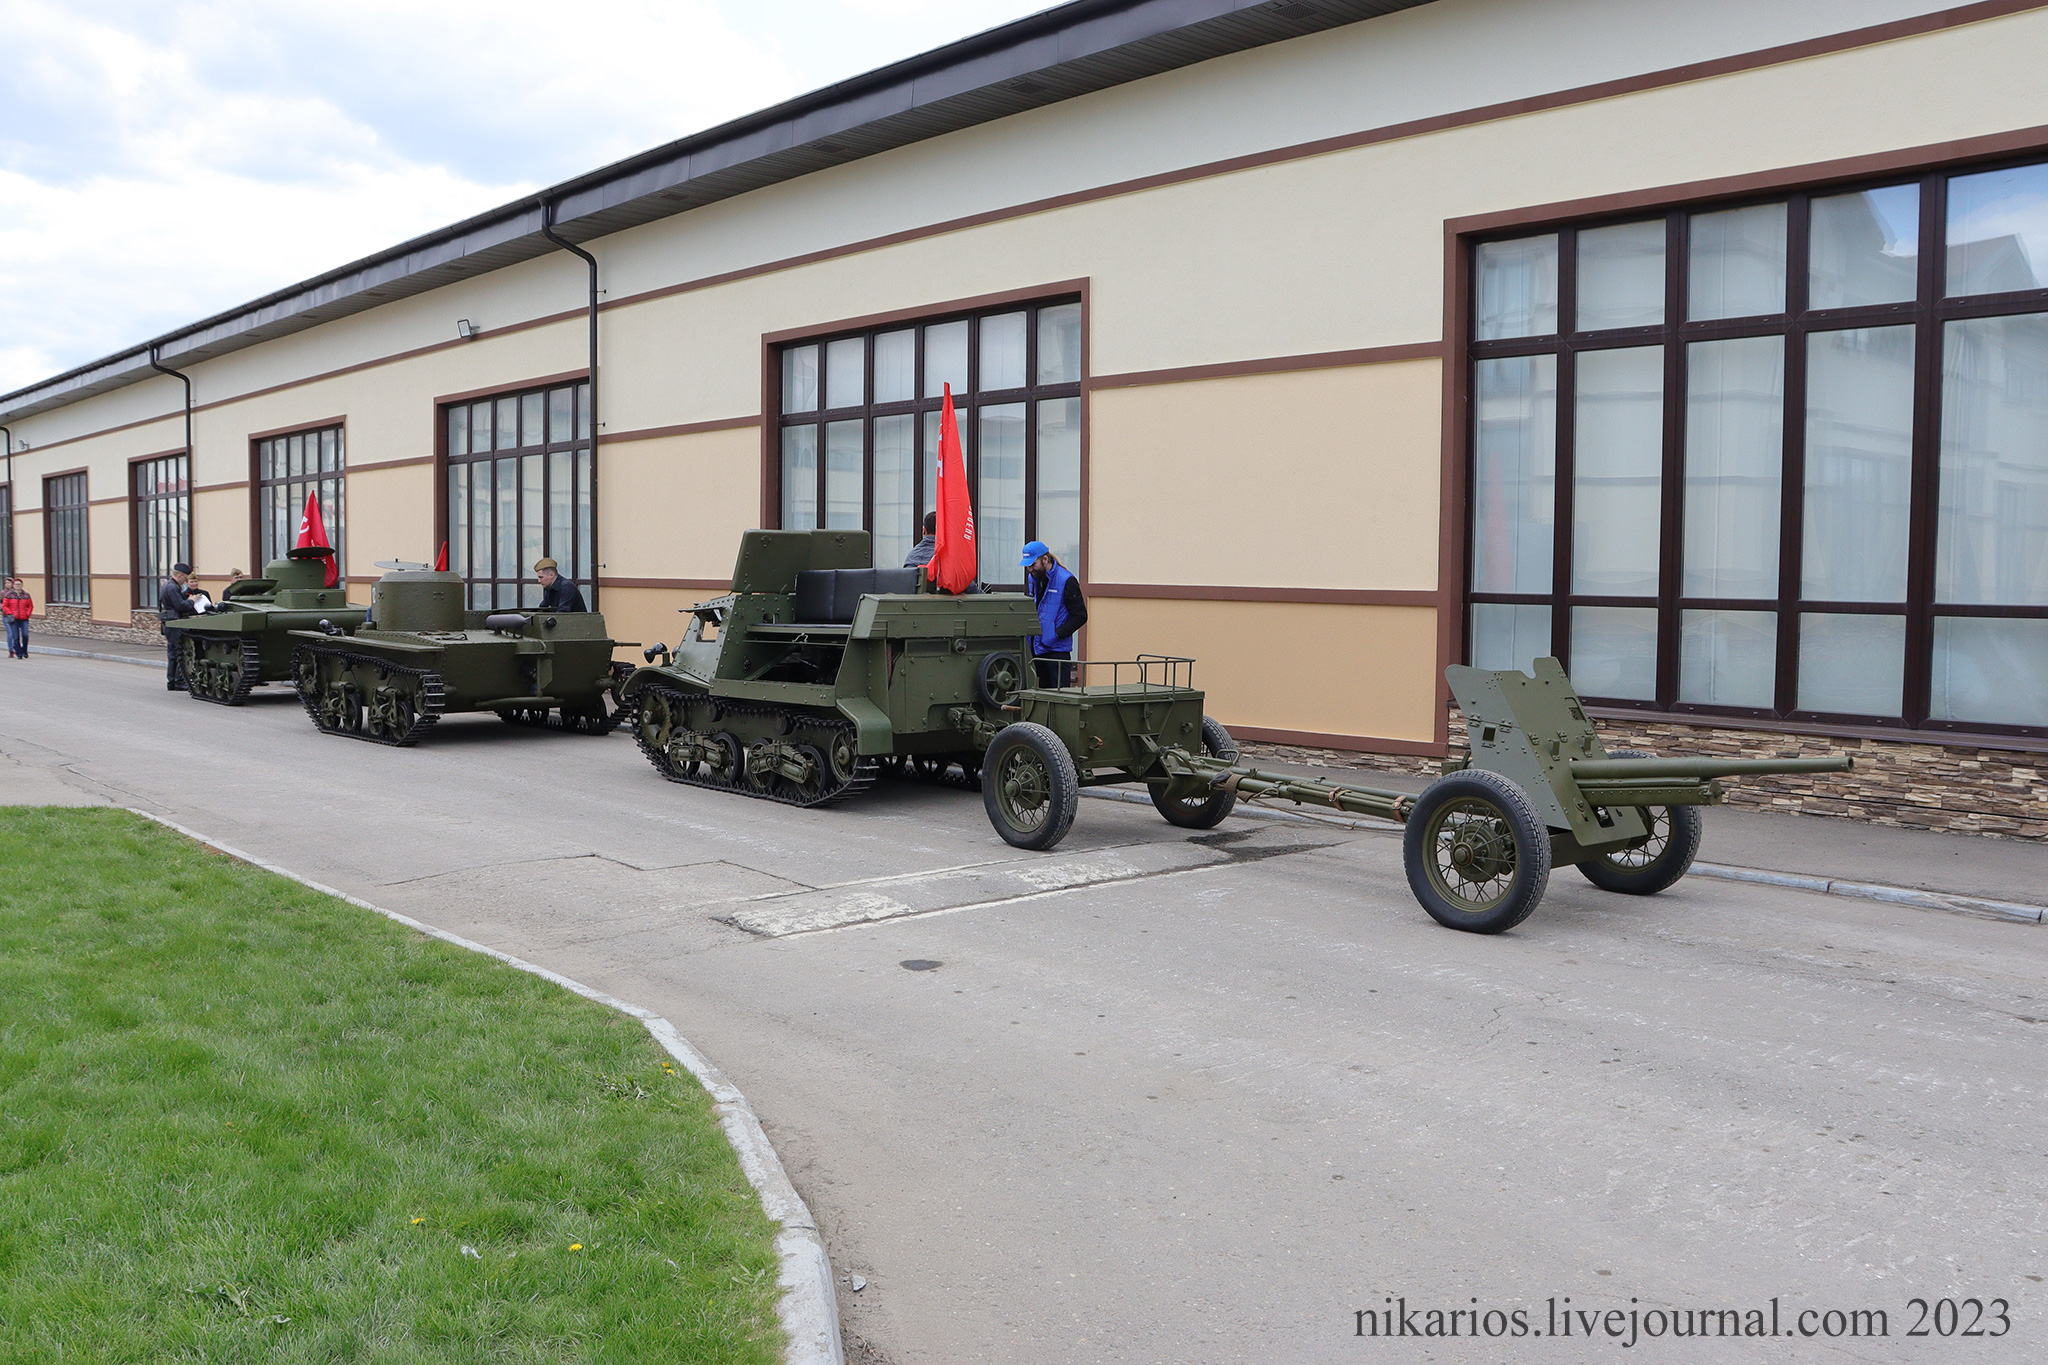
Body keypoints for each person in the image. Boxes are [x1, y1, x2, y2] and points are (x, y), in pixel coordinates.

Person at [1021, 540, 1085, 687]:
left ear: (1045, 559)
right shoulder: (1033, 578)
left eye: (1033, 564)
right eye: (1028, 566)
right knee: (1039, 698)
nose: (1030, 569)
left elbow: (1080, 615)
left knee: (1059, 699)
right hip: (1036, 650)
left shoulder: (1067, 580)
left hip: (1057, 652)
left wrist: (1056, 634)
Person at [157, 562, 201, 689]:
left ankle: (172, 681)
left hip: (169, 621)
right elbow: (180, 606)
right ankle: (177, 681)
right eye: (185, 577)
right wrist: (191, 601)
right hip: (174, 622)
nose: (185, 580)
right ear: (179, 575)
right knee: (178, 653)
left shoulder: (167, 585)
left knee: (173, 653)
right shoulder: (172, 588)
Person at [3, 577, 32, 659]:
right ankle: (19, 653)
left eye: (19, 584)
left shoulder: (26, 595)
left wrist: (27, 614)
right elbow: (5, 606)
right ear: (13, 585)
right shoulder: (8, 595)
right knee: (15, 636)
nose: (18, 586)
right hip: (13, 618)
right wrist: (10, 613)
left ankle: (24, 650)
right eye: (16, 584)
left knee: (25, 634)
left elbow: (30, 606)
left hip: (24, 618)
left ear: (22, 585)